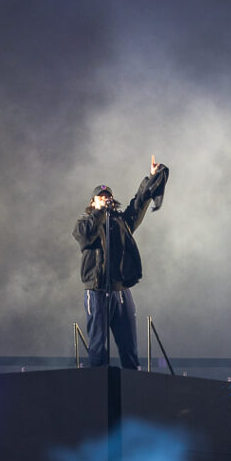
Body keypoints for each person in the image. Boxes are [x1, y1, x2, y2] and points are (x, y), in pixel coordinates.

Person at [72, 156, 169, 369]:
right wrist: (99, 213)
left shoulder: (121, 223)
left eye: (108, 196)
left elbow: (138, 203)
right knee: (98, 347)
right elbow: (83, 235)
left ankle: (132, 389)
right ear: (93, 202)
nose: (106, 199)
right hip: (97, 290)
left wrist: (151, 178)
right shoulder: (85, 224)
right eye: (101, 197)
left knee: (129, 347)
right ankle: (98, 391)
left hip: (121, 291)